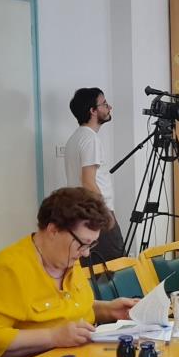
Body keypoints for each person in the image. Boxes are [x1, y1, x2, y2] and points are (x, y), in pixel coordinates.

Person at [0, 188, 138, 357]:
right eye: (83, 243)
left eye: (91, 245)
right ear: (53, 230)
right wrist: (52, 337)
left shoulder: (67, 257)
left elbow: (66, 310)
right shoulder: (7, 269)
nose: (86, 253)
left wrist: (108, 310)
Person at [64, 87, 126, 261]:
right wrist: (105, 214)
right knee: (116, 267)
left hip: (81, 214)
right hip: (96, 214)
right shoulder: (90, 139)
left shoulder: (75, 138)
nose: (109, 107)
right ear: (93, 110)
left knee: (92, 267)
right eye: (104, 104)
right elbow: (88, 181)